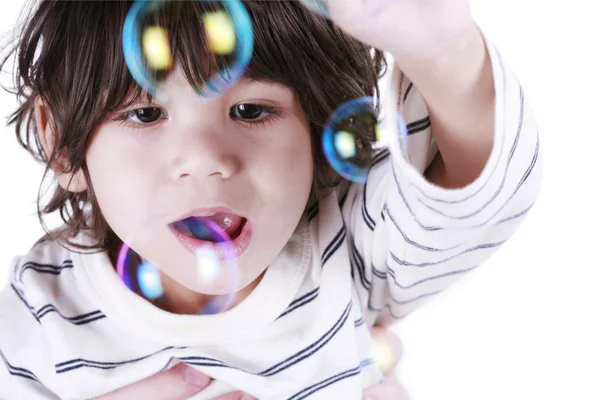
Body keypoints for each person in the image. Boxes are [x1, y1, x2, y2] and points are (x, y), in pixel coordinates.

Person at [0, 0, 542, 399]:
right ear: (61, 144)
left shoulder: (348, 249)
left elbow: (477, 196)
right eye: (146, 114)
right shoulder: (34, 322)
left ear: (315, 127)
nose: (207, 158)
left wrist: (444, 52)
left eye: (251, 111)